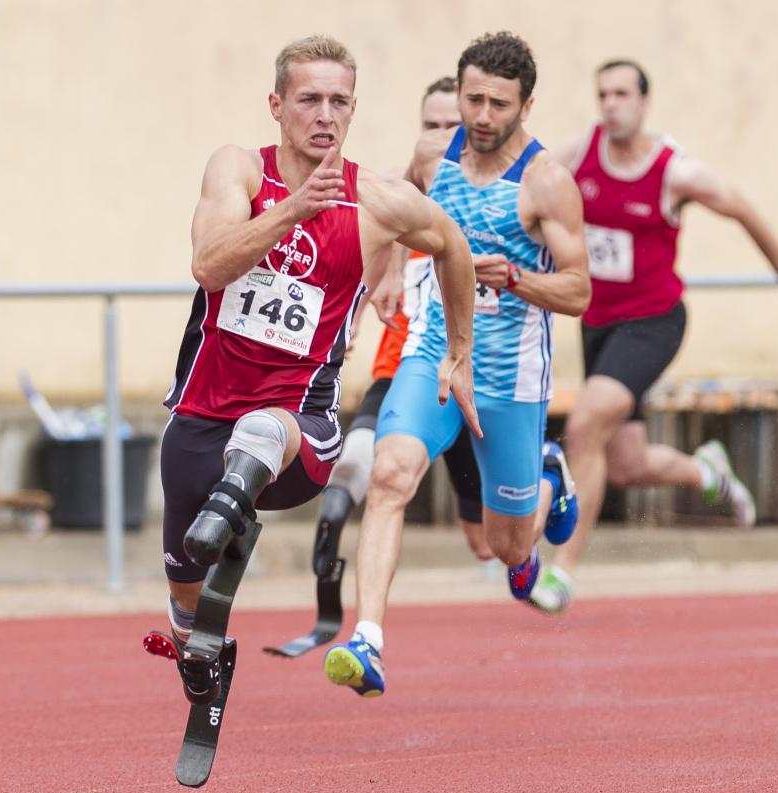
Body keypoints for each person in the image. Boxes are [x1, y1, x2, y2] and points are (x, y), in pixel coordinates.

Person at [144, 35, 481, 704]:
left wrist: (458, 349)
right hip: (201, 418)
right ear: (277, 105)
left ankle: (235, 500)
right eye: (309, 100)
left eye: (339, 101)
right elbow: (209, 264)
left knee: (264, 431)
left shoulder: (377, 200)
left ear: (353, 109)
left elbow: (452, 245)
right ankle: (200, 645)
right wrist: (294, 209)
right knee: (185, 589)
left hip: (300, 430)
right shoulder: (237, 170)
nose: (325, 115)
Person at [323, 32, 589, 699]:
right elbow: (390, 216)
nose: (481, 115)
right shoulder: (430, 156)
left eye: (499, 104)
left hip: (510, 381)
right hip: (433, 356)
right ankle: (368, 640)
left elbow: (580, 291)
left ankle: (549, 478)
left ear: (526, 105)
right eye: (473, 98)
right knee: (389, 474)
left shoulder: (546, 183)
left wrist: (519, 279)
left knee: (507, 548)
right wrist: (382, 277)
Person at [529, 59, 778, 614]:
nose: (612, 104)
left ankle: (562, 573)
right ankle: (708, 471)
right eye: (604, 94)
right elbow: (520, 187)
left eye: (623, 94)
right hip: (598, 324)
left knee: (585, 424)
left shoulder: (675, 172)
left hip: (653, 321)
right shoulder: (577, 155)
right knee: (625, 464)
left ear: (645, 103)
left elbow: (743, 209)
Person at [312, 76, 494, 581]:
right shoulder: (395, 198)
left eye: (450, 127)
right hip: (406, 371)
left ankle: (546, 463)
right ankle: (332, 538)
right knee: (366, 461)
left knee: (485, 543)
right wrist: (345, 326)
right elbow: (357, 275)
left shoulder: (498, 202)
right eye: (429, 126)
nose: (438, 138)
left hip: (478, 380)